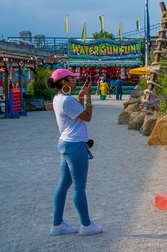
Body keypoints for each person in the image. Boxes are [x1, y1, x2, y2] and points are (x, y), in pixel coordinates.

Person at [46, 68, 103, 236]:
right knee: (79, 187)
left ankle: (57, 224)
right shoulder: (66, 101)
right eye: (72, 79)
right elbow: (86, 117)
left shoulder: (59, 98)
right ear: (64, 82)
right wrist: (90, 97)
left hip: (66, 143)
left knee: (63, 185)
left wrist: (82, 95)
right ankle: (86, 225)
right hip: (75, 145)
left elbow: (76, 111)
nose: (75, 81)